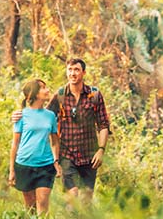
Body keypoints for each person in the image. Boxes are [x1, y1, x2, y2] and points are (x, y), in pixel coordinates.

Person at [14, 58, 111, 202]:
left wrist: (101, 150)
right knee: (72, 194)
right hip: (67, 155)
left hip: (90, 155)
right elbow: (42, 117)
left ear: (83, 72)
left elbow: (103, 125)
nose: (73, 73)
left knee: (86, 200)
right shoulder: (60, 95)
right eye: (70, 70)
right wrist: (20, 114)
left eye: (77, 70)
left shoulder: (94, 95)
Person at [8, 79, 62, 216]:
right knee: (30, 207)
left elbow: (55, 141)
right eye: (43, 88)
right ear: (34, 94)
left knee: (43, 203)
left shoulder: (50, 116)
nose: (47, 90)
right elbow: (15, 144)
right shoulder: (21, 115)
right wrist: (12, 170)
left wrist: (56, 161)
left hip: (46, 165)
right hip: (24, 165)